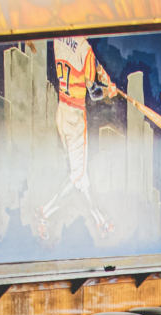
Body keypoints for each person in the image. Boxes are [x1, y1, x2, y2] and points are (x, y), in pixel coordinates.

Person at [36, 36, 115, 240]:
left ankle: (100, 221)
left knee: (81, 177)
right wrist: (110, 91)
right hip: (75, 115)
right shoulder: (84, 47)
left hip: (61, 110)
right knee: (77, 176)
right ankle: (45, 212)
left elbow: (90, 68)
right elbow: (95, 92)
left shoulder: (58, 39)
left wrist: (103, 75)